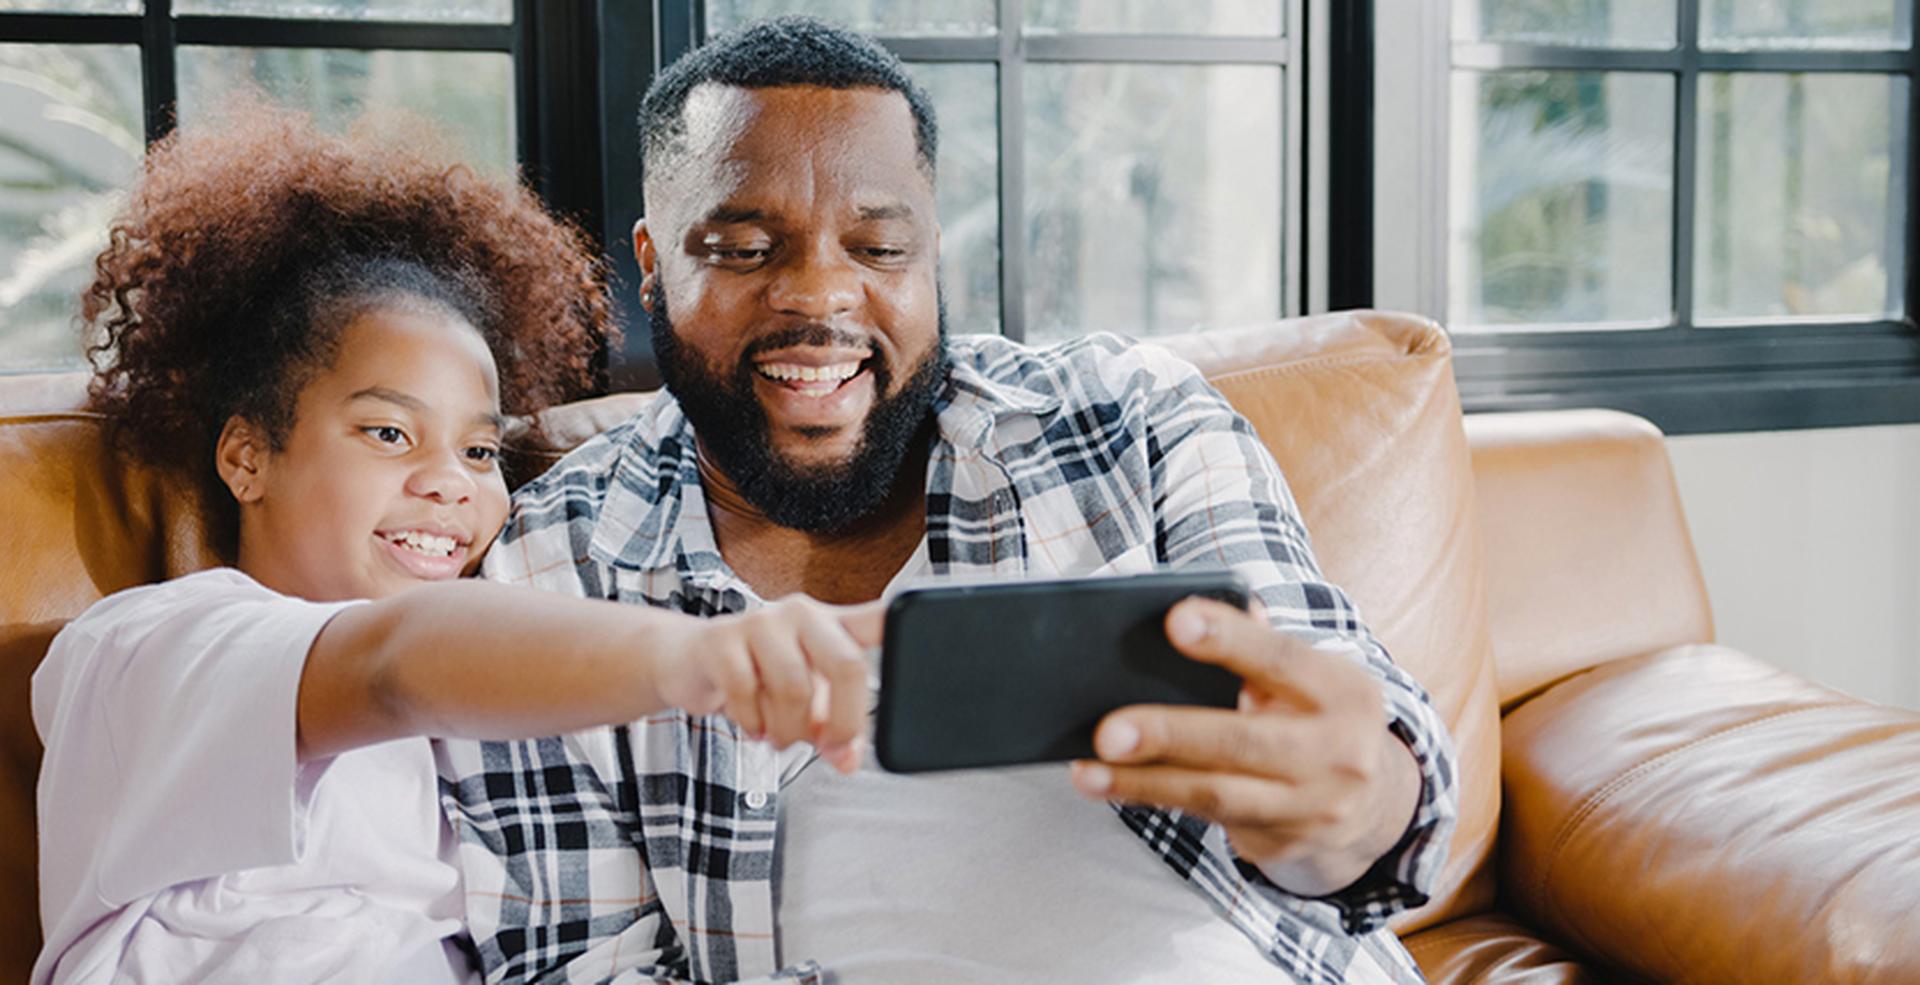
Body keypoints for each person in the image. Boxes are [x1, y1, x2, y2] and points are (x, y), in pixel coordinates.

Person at [441, 16, 1460, 985]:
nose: (821, 298)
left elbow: (1370, 771)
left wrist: (1350, 794)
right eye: (746, 249)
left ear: (933, 253)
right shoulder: (546, 569)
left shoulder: (1130, 419)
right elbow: (574, 961)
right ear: (654, 267)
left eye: (880, 248)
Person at [33, 105, 879, 985]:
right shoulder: (152, 648)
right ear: (249, 456)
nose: (453, 483)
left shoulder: (482, 756)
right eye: (389, 434)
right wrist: (697, 656)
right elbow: (394, 667)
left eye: (481, 451)